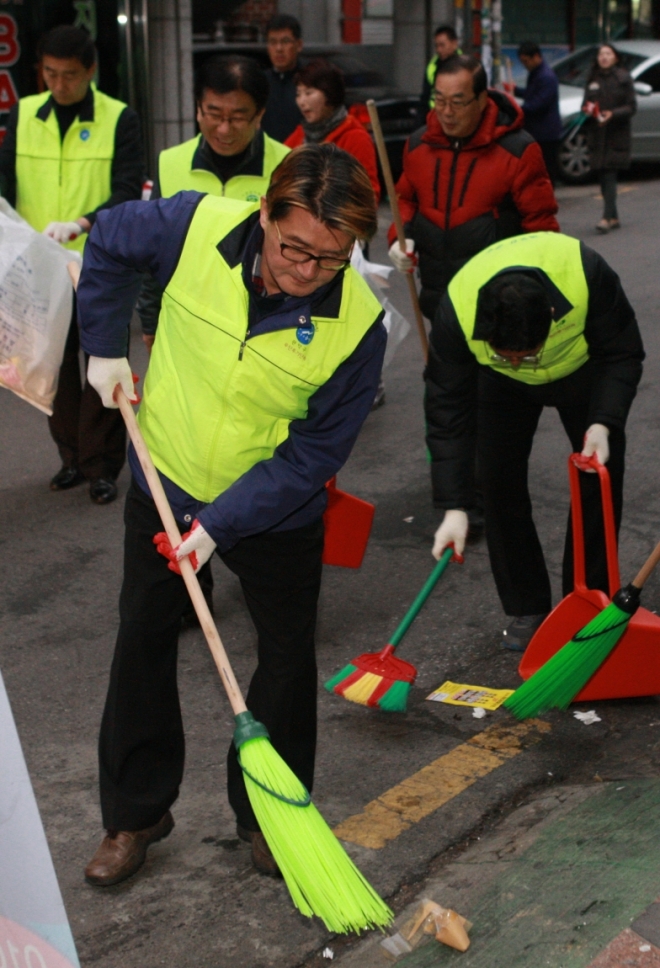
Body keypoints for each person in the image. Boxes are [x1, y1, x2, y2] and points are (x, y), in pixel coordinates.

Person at [78, 144, 386, 886]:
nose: (307, 272)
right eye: (294, 248)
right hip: (168, 476)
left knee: (283, 660)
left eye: (331, 259)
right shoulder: (192, 227)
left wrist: (221, 525)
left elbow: (314, 453)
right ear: (264, 213)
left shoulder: (360, 328)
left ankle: (268, 815)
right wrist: (103, 348)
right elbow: (111, 241)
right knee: (143, 640)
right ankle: (136, 812)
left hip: (274, 510)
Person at [426, 232, 644, 651]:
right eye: (505, 350)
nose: (518, 359)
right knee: (497, 481)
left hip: (582, 372)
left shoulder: (585, 274)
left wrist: (603, 421)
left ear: (549, 313)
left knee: (598, 477)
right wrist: (455, 504)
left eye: (525, 351)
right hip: (500, 388)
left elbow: (622, 352)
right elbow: (447, 410)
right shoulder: (456, 310)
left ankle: (587, 601)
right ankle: (527, 606)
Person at [0, 25, 143, 504]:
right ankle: (71, 459)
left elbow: (127, 190)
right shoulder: (22, 115)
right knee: (52, 367)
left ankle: (102, 466)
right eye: (50, 74)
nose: (59, 85)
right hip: (40, 270)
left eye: (70, 76)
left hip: (100, 265)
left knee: (102, 362)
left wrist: (81, 223)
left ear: (91, 72)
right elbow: (4, 183)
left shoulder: (119, 118)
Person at [139, 54, 290, 344]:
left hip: (259, 330)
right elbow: (152, 249)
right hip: (184, 327)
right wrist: (150, 319)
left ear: (259, 115)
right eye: (214, 114)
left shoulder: (285, 166)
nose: (223, 129)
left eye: (237, 118)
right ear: (198, 110)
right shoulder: (170, 163)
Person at [285, 60, 381, 203]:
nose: (301, 101)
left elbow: (368, 196)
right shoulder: (300, 135)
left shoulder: (355, 137)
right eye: (298, 94)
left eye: (308, 93)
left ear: (329, 94)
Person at [582, 44, 636, 234]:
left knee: (609, 174)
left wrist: (612, 114)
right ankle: (613, 216)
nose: (603, 57)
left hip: (616, 135)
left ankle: (606, 217)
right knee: (602, 175)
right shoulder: (592, 79)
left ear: (615, 57)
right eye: (600, 54)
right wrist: (590, 111)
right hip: (597, 134)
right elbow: (585, 103)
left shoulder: (623, 78)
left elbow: (631, 107)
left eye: (608, 54)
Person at [510, 42, 562, 186]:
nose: (525, 65)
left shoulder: (546, 77)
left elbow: (538, 104)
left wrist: (517, 108)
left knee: (547, 166)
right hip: (538, 130)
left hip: (546, 132)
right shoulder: (536, 74)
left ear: (536, 57)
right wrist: (516, 90)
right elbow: (531, 94)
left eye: (526, 61)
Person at [261, 14, 304, 143]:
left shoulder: (309, 80)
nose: (279, 49)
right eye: (273, 42)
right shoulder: (260, 82)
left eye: (285, 41)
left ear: (299, 45)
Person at [418, 24, 461, 125]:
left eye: (442, 45)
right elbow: (425, 98)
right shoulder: (432, 66)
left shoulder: (466, 66)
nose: (439, 50)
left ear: (454, 43)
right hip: (436, 119)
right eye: (436, 46)